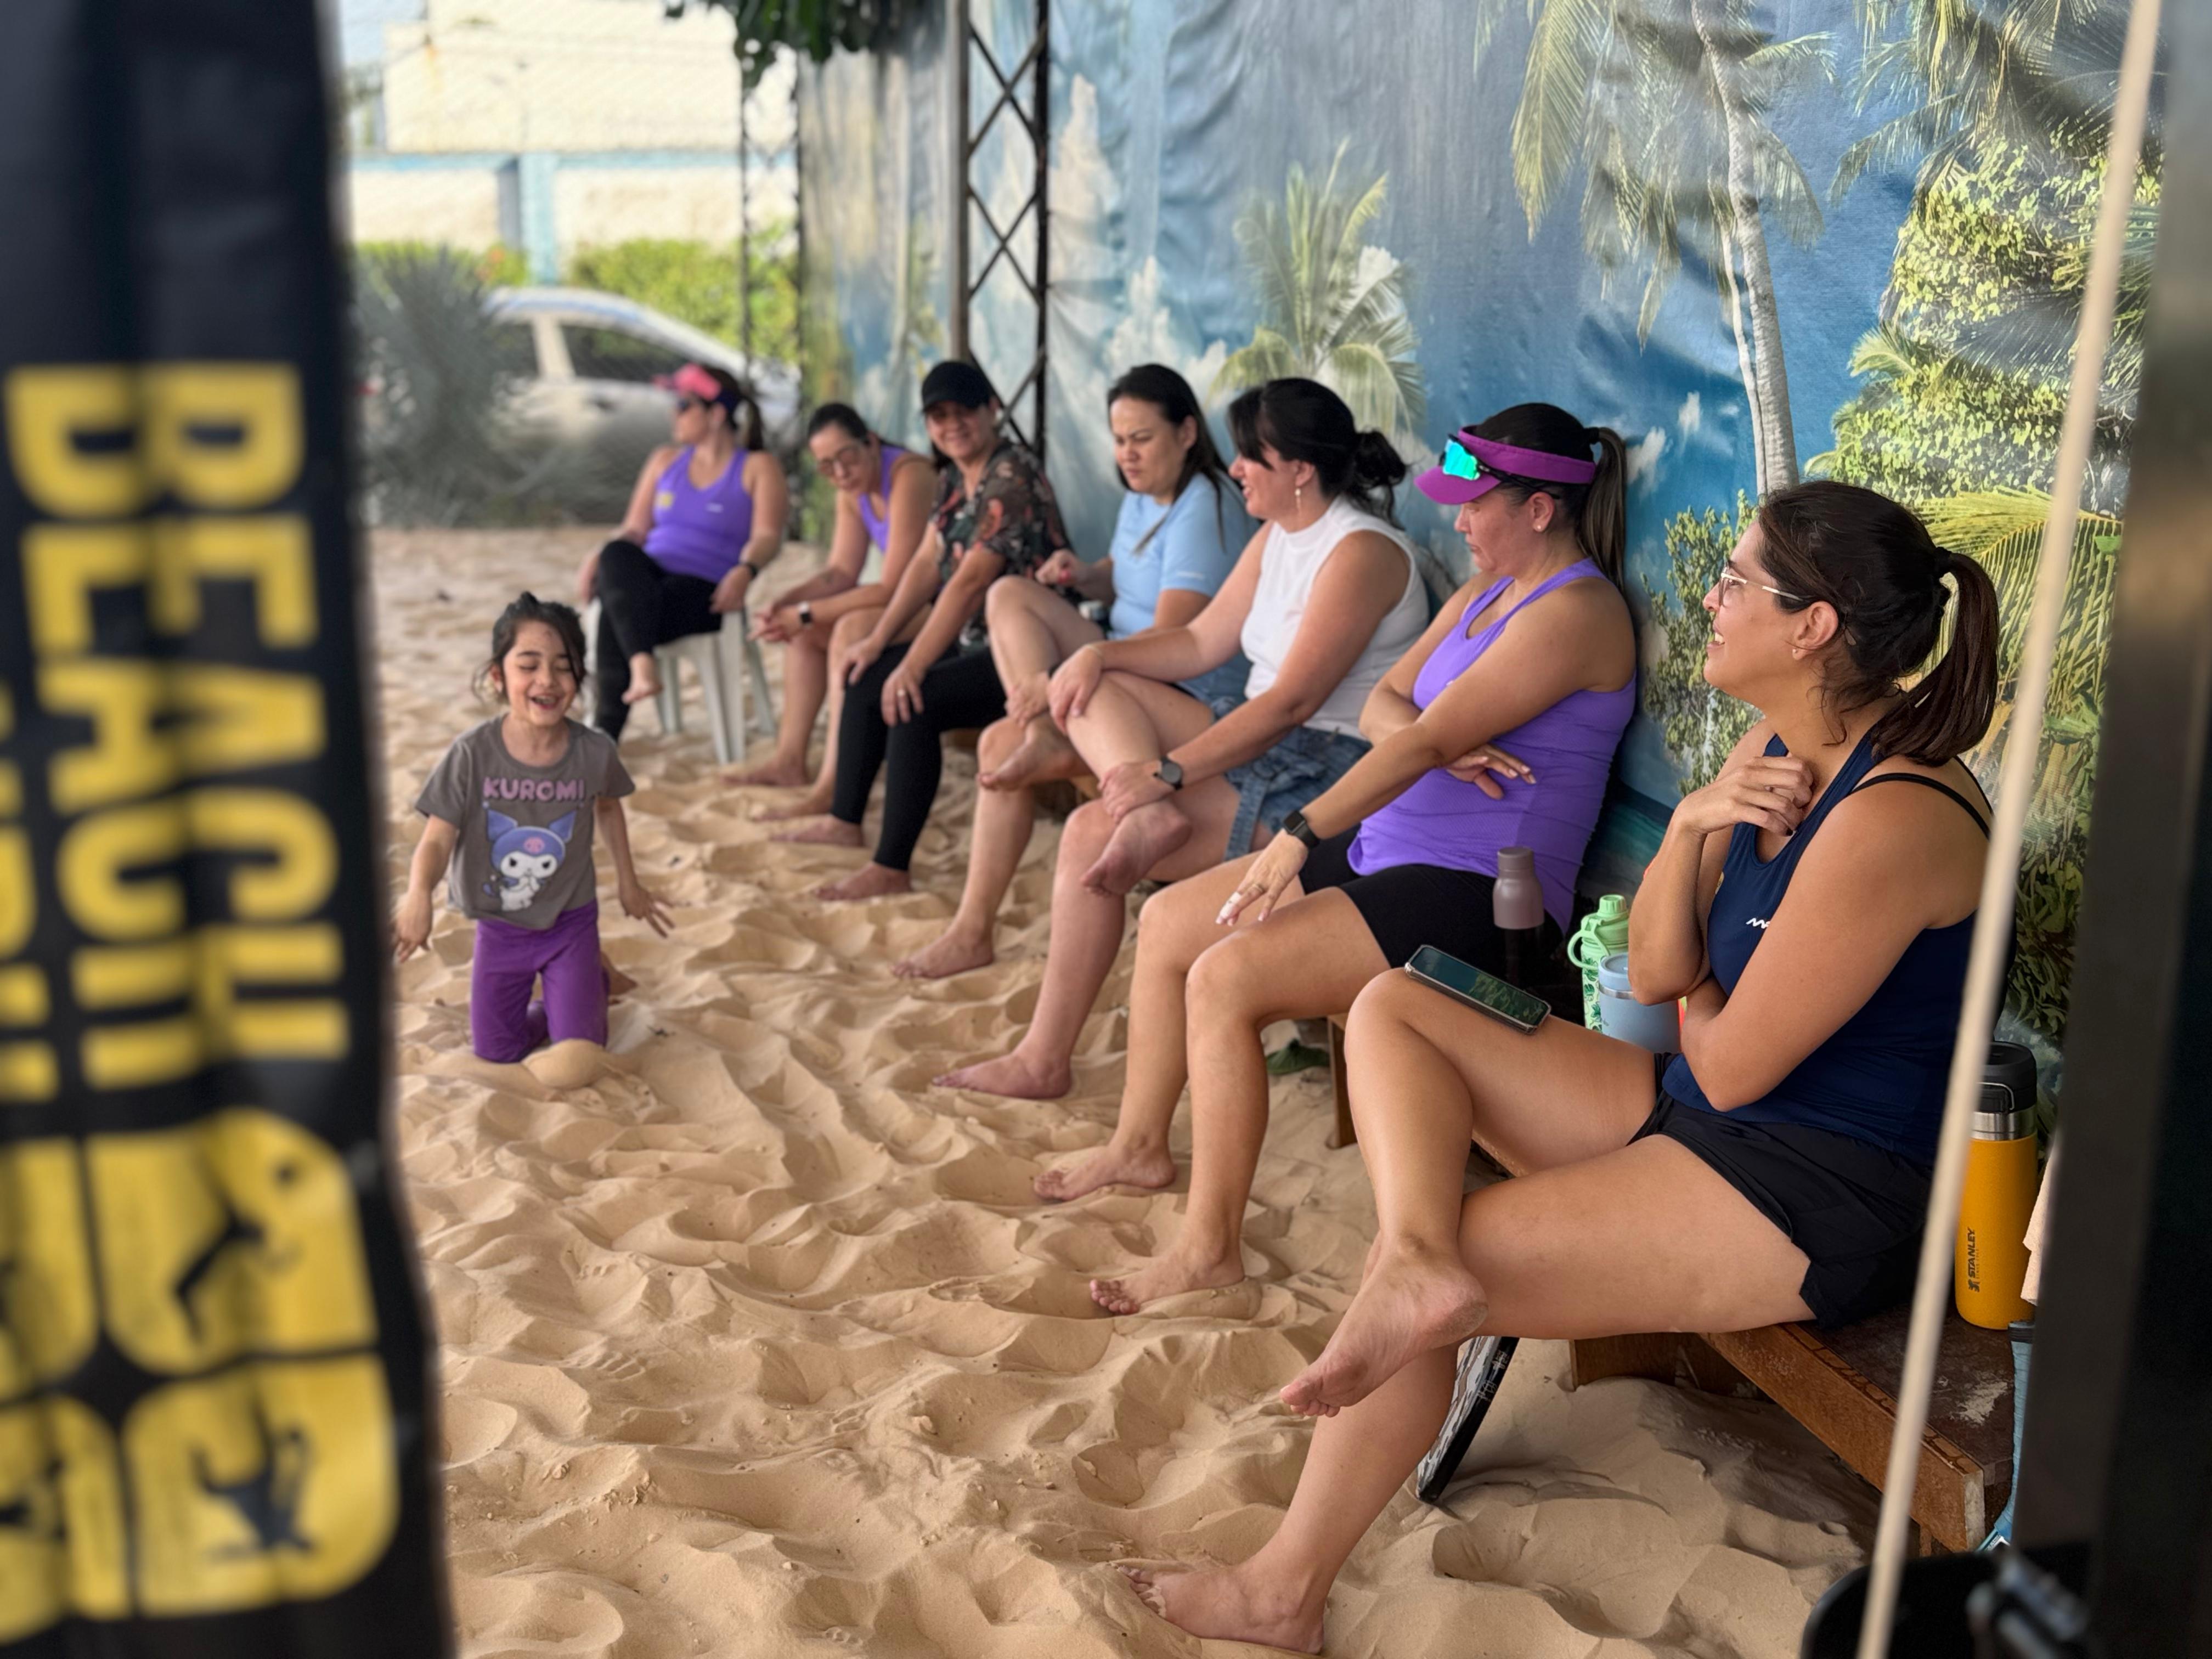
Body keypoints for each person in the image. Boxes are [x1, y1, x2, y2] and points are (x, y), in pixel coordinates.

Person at [1121, 480, 2001, 1651]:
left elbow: (1729, 1058)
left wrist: (1694, 983)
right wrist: (1690, 825)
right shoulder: (1775, 746)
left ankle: (1284, 1589)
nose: (1711, 596)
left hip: (1811, 1185)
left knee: (1449, 1273)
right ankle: (1419, 1257)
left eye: (1738, 581)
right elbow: (1648, 970)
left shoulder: (1897, 815)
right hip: (1703, 1115)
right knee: (1399, 1006)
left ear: (1815, 627)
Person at [1053, 407, 1637, 1319]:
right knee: (1170, 922)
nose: (1457, 522)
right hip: (1384, 851)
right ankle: (1137, 1145)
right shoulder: (1482, 592)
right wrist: (1435, 742)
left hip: (1478, 892)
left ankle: (1208, 1248)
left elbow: (1415, 732)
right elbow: (1386, 708)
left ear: (1537, 509)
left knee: (1224, 977)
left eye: (1476, 505)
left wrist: (1301, 827)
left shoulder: (1578, 610)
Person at [938, 376, 1431, 1099]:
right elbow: (1200, 642)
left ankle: (1048, 1054)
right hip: (1267, 735)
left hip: (1329, 771)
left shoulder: (1361, 551)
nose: (1235, 470)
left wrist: (1168, 773)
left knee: (1084, 831)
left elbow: (1293, 703)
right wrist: (1097, 652)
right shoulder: (1279, 533)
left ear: (1298, 469)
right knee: (1092, 699)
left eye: (1249, 457)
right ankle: (1047, 1048)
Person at [892, 364, 1250, 979]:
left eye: (1141, 438)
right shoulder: (1144, 494)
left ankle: (1062, 750)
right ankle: (971, 930)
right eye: (1118, 439)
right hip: (1123, 664)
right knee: (1009, 605)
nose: (1126, 454)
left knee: (1017, 720)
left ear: (1188, 431)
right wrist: (1084, 575)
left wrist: (1089, 662)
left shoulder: (1206, 504)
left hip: (1181, 694)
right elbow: (1127, 571)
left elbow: (1174, 643)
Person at [772, 359, 1075, 901]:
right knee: (867, 676)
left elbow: (968, 584)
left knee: (913, 696)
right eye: (938, 415)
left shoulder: (1013, 475)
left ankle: (892, 866)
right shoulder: (954, 480)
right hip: (974, 642)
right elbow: (926, 566)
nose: (951, 424)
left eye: (964, 411)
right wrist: (879, 640)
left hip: (1027, 655)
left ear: (993, 409)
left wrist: (911, 665)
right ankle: (845, 819)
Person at [393, 593, 675, 1062]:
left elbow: (608, 807)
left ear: (579, 677)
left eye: (564, 666)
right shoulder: (471, 754)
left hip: (571, 922)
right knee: (496, 1051)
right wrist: (417, 894)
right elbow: (438, 836)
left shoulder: (594, 751)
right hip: (500, 928)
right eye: (529, 665)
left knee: (580, 1053)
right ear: (499, 677)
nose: (547, 680)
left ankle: (589, 979)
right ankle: (587, 984)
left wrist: (629, 882)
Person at [731, 404, 936, 808]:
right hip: (908, 605)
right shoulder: (852, 489)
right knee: (805, 634)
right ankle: (790, 761)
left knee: (848, 629)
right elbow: (841, 572)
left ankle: (833, 786)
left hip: (943, 605)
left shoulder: (910, 475)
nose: (840, 473)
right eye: (827, 467)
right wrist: (787, 604)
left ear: (871, 443)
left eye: (847, 458)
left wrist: (806, 612)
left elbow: (896, 589)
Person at [573, 363, 789, 739]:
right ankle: (641, 668)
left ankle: (605, 731)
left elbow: (769, 536)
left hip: (706, 590)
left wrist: (746, 570)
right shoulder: (664, 460)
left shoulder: (757, 466)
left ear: (717, 413)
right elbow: (635, 529)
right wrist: (600, 553)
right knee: (616, 555)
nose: (674, 412)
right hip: (648, 578)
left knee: (618, 608)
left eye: (684, 404)